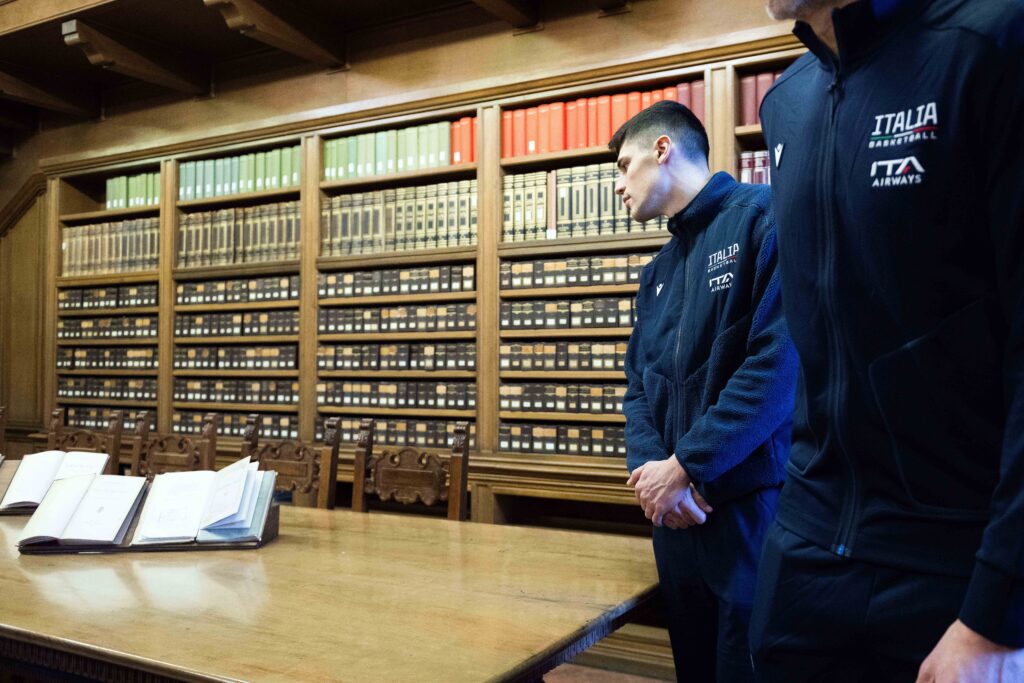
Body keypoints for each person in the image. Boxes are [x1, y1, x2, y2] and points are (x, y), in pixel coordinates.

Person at [750, 0, 1024, 680]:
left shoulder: (990, 42)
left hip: (957, 565)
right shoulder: (785, 102)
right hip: (806, 554)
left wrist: (1001, 612)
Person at [615, 100, 798, 682]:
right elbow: (637, 388)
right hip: (674, 518)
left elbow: (777, 365)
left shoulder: (763, 218)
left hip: (746, 510)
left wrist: (687, 466)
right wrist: (655, 477)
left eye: (623, 166)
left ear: (662, 149)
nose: (618, 185)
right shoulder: (656, 272)